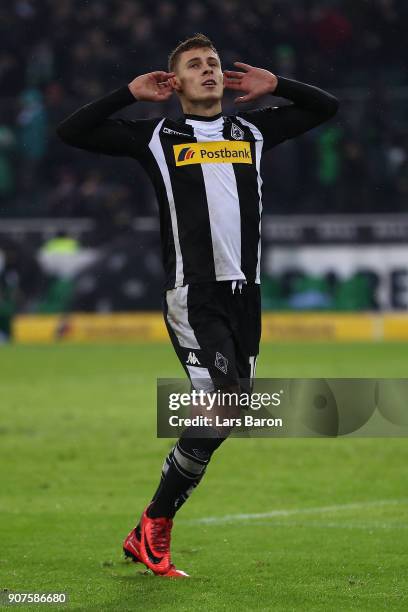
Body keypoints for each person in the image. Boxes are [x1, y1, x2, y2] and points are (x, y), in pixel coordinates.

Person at [57, 33, 338, 578]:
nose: (209, 70)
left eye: (213, 63)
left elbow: (327, 108)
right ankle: (156, 525)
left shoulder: (252, 131)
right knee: (227, 404)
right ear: (176, 83)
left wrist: (278, 84)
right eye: (195, 65)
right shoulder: (157, 136)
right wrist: (126, 94)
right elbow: (73, 132)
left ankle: (151, 524)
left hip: (246, 295)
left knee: (228, 413)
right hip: (196, 294)